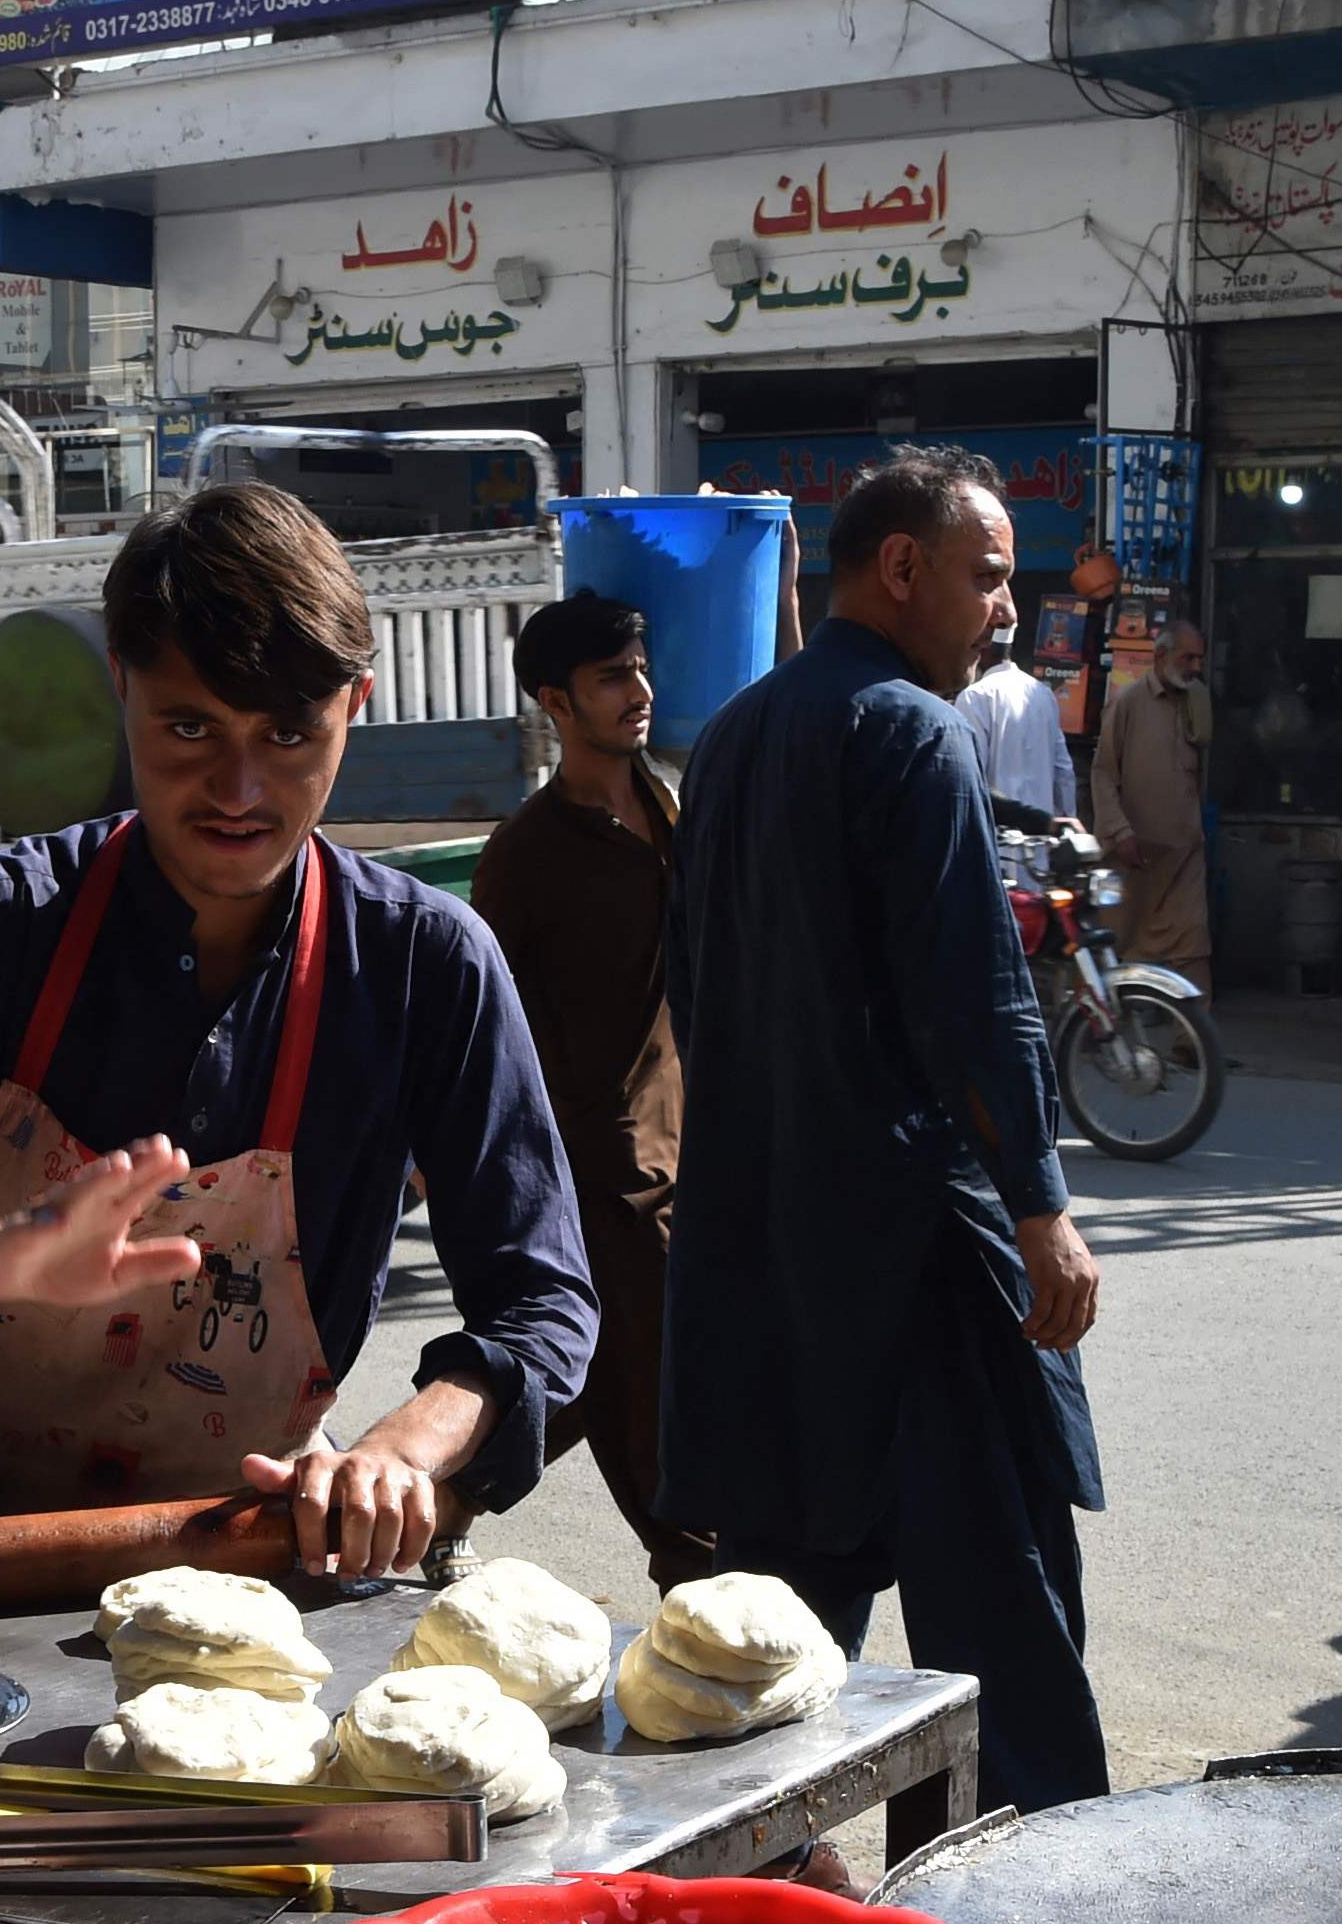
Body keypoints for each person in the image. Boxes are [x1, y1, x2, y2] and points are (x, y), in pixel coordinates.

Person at [0, 483, 596, 1574]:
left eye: (288, 735)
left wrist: (397, 1453)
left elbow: (541, 1302)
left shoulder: (426, 961)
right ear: (119, 686)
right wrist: (2, 1254)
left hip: (256, 1557)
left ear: (353, 705)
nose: (239, 790)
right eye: (189, 726)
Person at [661, 445, 1112, 1813]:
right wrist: (1041, 1209)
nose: (1002, 614)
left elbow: (698, 992)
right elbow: (976, 998)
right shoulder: (913, 729)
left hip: (774, 1255)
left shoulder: (737, 733)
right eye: (985, 579)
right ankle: (1021, 1903)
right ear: (899, 567)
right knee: (999, 1623)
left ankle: (771, 1894)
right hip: (917, 1254)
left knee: (797, 1623)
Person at [467, 590, 706, 1586]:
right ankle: (699, 1586)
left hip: (691, 1160)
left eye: (640, 669)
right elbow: (484, 1032)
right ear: (554, 702)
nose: (638, 692)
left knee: (593, 1381)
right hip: (599, 1180)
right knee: (662, 1420)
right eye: (612, 678)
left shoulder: (668, 807)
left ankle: (429, 1497)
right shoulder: (525, 858)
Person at [1091, 619, 1211, 981]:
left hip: (1184, 854)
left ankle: (1189, 1038)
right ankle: (1096, 1028)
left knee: (1193, 951)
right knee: (1112, 947)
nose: (1196, 667)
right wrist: (1121, 832)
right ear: (1160, 656)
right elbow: (1102, 773)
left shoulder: (1196, 701)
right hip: (1134, 854)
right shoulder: (1127, 703)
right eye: (1188, 658)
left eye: (1199, 659)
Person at [952, 626, 1072, 818]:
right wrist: (1067, 820)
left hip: (996, 836)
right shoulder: (1043, 694)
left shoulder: (975, 697)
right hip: (1041, 836)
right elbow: (1063, 770)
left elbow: (969, 776)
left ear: (982, 649)